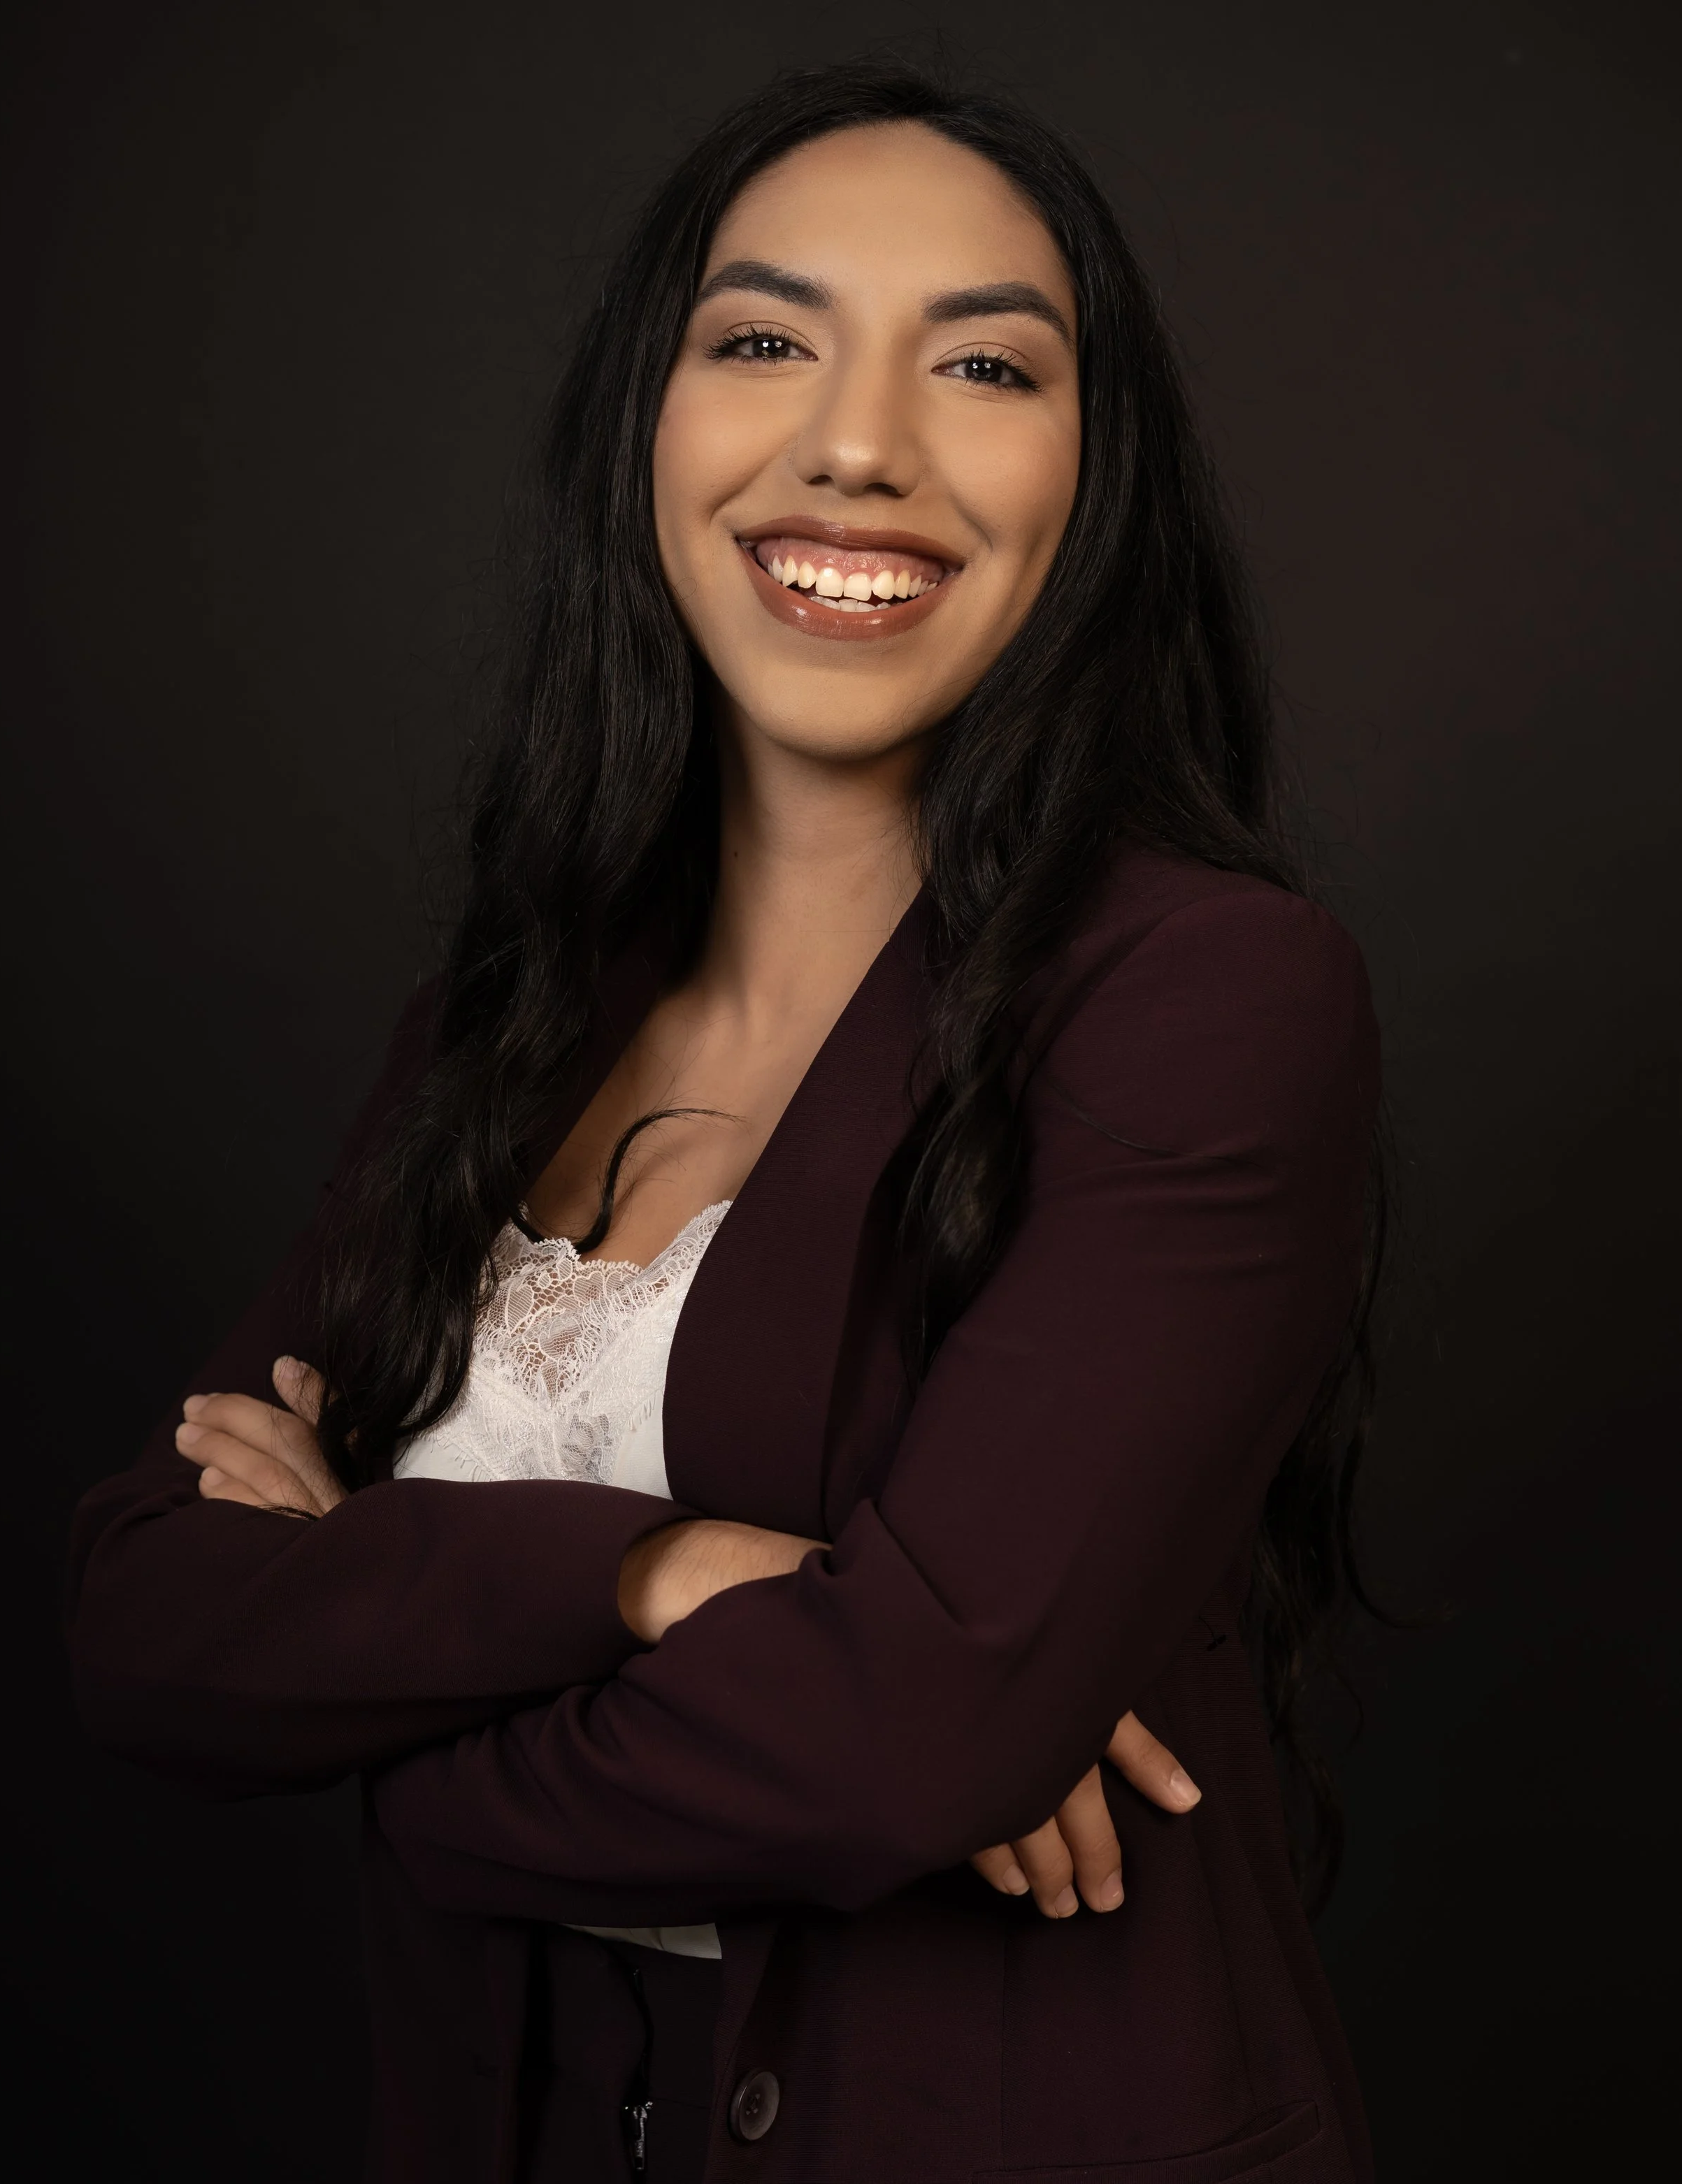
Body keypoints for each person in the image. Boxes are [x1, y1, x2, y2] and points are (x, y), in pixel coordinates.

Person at [67, 61, 1381, 2184]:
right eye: (761, 340)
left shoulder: (1203, 997)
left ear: (1094, 476)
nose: (856, 443)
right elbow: (141, 1621)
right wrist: (658, 1572)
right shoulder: (495, 1032)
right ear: (642, 432)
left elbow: (897, 1736)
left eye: (983, 366)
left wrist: (388, 1725)